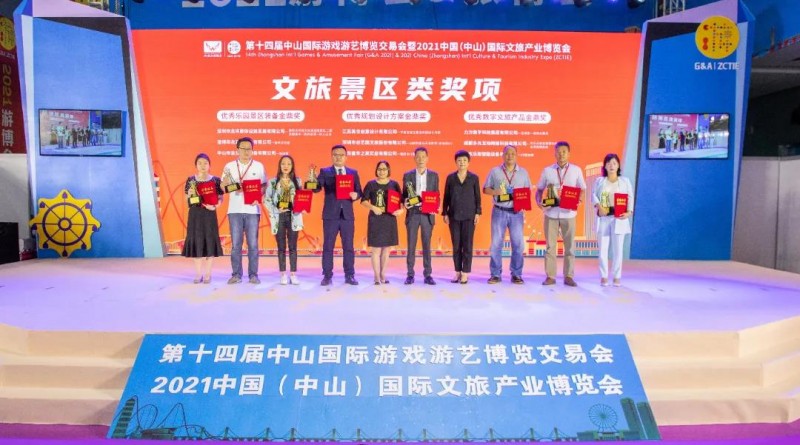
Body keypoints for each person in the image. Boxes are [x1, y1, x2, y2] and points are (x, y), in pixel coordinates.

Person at [535, 141, 587, 287]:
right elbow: (539, 189)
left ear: (569, 153)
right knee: (550, 247)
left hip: (569, 214)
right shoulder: (547, 171)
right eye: (558, 151)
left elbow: (582, 188)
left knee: (569, 247)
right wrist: (539, 202)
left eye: (564, 151)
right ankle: (550, 276)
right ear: (554, 153)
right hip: (551, 213)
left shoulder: (576, 170)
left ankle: (569, 276)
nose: (561, 154)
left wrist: (579, 200)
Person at [313, 144, 362, 286]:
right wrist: (312, 180)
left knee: (348, 246)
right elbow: (316, 189)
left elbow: (359, 191)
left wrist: (356, 195)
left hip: (347, 215)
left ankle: (350, 275)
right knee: (328, 246)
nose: (338, 157)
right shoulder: (325, 171)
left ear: (346, 157)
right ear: (331, 156)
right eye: (335, 155)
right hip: (330, 215)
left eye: (341, 155)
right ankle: (327, 275)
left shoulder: (353, 172)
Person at [483, 144, 532, 285]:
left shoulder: (523, 173)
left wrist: (522, 201)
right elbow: (485, 189)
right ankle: (495, 274)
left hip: (516, 213)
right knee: (496, 245)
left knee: (518, 245)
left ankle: (516, 274)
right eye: (507, 153)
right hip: (499, 211)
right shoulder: (495, 171)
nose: (509, 156)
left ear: (516, 156)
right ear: (503, 155)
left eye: (512, 153)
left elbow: (528, 191)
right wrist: (495, 192)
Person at [221, 137, 266, 285]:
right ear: (237, 149)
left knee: (253, 245)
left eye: (249, 149)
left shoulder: (258, 166)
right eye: (243, 148)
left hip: (253, 210)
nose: (246, 152)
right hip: (234, 210)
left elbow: (264, 186)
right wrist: (228, 184)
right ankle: (236, 275)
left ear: (252, 150)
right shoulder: (229, 166)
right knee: (236, 245)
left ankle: (253, 275)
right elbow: (223, 187)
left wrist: (258, 195)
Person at [592, 153, 634, 287]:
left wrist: (629, 212)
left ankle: (617, 276)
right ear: (605, 166)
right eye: (609, 163)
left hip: (619, 217)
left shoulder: (625, 181)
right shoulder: (599, 181)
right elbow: (593, 195)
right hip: (604, 218)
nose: (611, 166)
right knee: (602, 250)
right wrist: (599, 206)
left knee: (618, 250)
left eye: (614, 163)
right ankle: (604, 276)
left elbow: (630, 197)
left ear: (618, 166)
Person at [181, 153, 224, 284]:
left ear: (209, 165)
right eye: (200, 163)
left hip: (209, 215)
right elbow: (186, 199)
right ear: (196, 165)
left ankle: (208, 274)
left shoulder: (216, 180)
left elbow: (220, 197)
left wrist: (215, 206)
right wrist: (189, 195)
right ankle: (198, 273)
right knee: (197, 242)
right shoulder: (191, 180)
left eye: (205, 163)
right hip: (195, 215)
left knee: (209, 242)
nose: (203, 165)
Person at [361, 160, 404, 285]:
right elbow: (363, 201)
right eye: (379, 169)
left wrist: (401, 210)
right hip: (375, 219)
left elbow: (401, 201)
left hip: (389, 219)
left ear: (388, 170)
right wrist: (373, 207)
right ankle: (376, 276)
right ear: (376, 170)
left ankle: (383, 274)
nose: (382, 171)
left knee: (386, 249)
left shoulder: (394, 184)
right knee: (376, 250)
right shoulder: (371, 184)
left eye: (384, 169)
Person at [442, 150, 481, 284]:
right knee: (456, 246)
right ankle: (457, 271)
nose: (462, 163)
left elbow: (477, 197)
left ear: (468, 162)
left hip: (469, 216)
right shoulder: (450, 178)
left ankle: (465, 272)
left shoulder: (474, 178)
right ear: (456, 162)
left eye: (464, 160)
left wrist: (478, 213)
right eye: (459, 160)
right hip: (454, 216)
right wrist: (445, 213)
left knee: (467, 245)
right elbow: (446, 196)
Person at [402, 147, 440, 285]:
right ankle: (410, 274)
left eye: (423, 157)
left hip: (427, 214)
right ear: (414, 158)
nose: (421, 159)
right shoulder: (408, 175)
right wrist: (405, 202)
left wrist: (435, 206)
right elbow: (404, 195)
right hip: (413, 213)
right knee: (411, 245)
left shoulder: (434, 175)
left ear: (427, 158)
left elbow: (436, 194)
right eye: (418, 157)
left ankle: (428, 274)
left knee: (427, 245)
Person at [264, 155, 304, 285]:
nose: (286, 166)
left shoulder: (297, 181)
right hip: (279, 216)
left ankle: (293, 274)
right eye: (283, 164)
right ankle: (282, 274)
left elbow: (302, 198)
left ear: (292, 166)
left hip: (293, 216)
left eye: (288, 164)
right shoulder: (273, 182)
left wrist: (302, 206)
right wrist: (276, 209)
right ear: (279, 166)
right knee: (281, 247)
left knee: (293, 247)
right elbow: (266, 199)